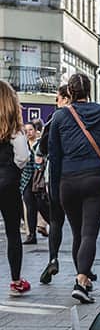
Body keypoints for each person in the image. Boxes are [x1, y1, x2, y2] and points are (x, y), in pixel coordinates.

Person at [48, 73, 100, 303]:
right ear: (89, 91)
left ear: (69, 92)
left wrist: (54, 190)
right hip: (94, 179)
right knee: (90, 233)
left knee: (77, 233)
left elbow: (54, 155)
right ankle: (81, 279)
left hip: (68, 181)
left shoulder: (59, 117)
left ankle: (83, 278)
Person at [0, 80, 31, 296]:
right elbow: (23, 157)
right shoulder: (15, 131)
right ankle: (15, 281)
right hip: (8, 186)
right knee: (13, 233)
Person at [38, 85, 70, 284]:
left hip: (56, 176)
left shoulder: (55, 118)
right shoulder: (87, 116)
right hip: (80, 172)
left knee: (56, 221)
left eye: (57, 98)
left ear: (66, 98)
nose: (56, 102)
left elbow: (42, 147)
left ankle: (53, 258)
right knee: (81, 226)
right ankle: (83, 272)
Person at [20, 121, 49, 244]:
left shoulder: (39, 144)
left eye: (30, 130)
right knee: (30, 208)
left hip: (38, 180)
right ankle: (31, 235)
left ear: (35, 130)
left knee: (42, 206)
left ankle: (54, 224)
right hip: (26, 180)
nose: (28, 133)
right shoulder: (23, 145)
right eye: (25, 130)